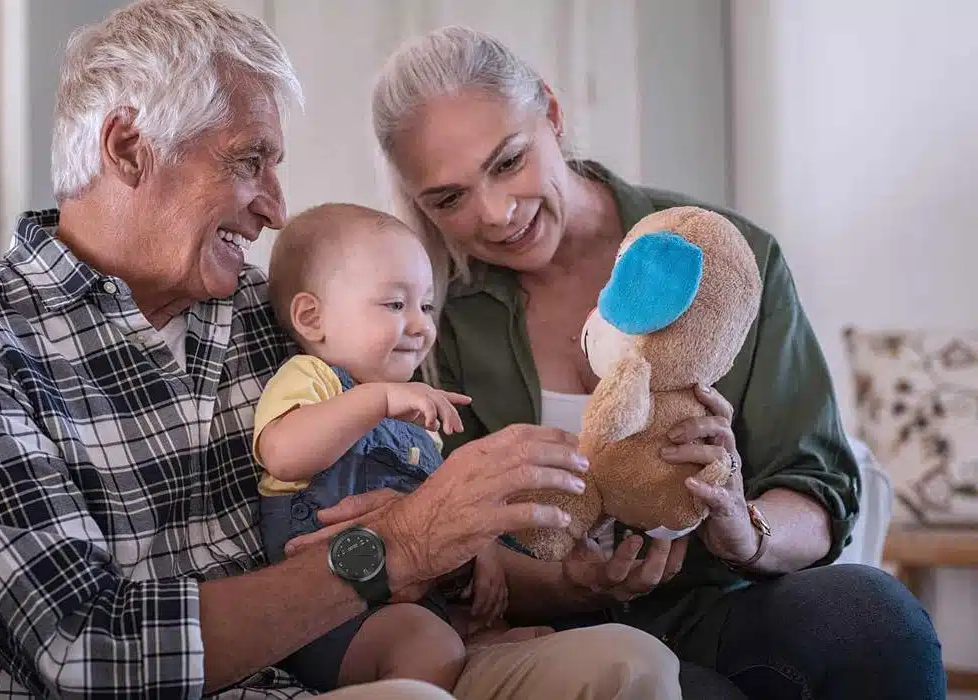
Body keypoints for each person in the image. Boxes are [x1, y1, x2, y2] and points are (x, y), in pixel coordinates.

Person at [0, 2, 682, 698]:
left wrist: (467, 555)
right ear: (126, 148)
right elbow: (85, 652)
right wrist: (392, 547)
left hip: (344, 667)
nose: (278, 210)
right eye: (250, 161)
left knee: (625, 665)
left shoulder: (277, 317)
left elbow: (399, 509)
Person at [369, 24, 948, 700]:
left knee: (878, 618)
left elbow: (817, 489)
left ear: (553, 115)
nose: (496, 213)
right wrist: (568, 581)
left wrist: (744, 529)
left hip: (720, 606)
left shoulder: (724, 257)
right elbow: (452, 549)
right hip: (557, 642)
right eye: (449, 199)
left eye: (508, 162)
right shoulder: (430, 318)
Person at [254, 203, 552, 692]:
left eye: (427, 306)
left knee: (523, 638)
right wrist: (378, 399)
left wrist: (483, 552)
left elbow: (442, 511)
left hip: (411, 604)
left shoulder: (416, 424)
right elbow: (283, 455)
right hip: (331, 617)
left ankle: (464, 651)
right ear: (312, 318)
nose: (420, 326)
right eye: (396, 305)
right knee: (427, 645)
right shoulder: (313, 379)